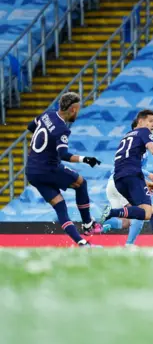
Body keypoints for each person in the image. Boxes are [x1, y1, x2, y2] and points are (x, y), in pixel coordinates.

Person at [25, 92, 102, 246]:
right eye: (78, 109)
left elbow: (30, 127)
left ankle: (81, 243)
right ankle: (87, 223)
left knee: (60, 206)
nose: (78, 113)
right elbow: (64, 155)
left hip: (32, 172)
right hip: (48, 168)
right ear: (72, 109)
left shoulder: (47, 115)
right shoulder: (62, 129)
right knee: (81, 182)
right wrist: (85, 159)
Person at [99, 109, 153, 246]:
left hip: (118, 180)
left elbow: (125, 164)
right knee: (146, 213)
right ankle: (125, 236)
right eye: (151, 121)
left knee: (145, 212)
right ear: (140, 121)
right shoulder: (144, 132)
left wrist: (144, 182)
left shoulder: (127, 137)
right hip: (131, 177)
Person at [102, 119, 153, 245]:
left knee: (126, 221)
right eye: (149, 125)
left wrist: (144, 182)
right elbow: (132, 169)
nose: (151, 129)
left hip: (113, 184)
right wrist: (148, 175)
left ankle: (96, 223)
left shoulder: (125, 144)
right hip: (122, 183)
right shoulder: (138, 147)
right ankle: (129, 245)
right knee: (142, 211)